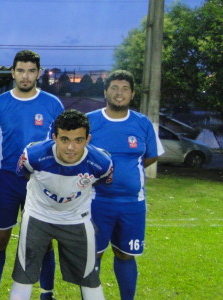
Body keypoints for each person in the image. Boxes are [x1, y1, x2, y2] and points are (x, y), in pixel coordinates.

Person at [0, 50, 63, 300]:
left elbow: (61, 141)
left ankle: (47, 292)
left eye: (31, 71)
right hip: (6, 180)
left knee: (43, 239)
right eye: (20, 71)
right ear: (13, 72)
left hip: (41, 181)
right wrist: (11, 160)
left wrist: (40, 164)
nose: (25, 76)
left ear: (39, 73)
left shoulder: (52, 104)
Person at [9, 109, 113, 300]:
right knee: (24, 274)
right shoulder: (34, 155)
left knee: (89, 277)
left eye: (78, 140)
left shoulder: (101, 163)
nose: (71, 147)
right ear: (54, 137)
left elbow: (103, 180)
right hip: (38, 215)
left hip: (76, 218)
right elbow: (23, 172)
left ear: (88, 139)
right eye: (65, 139)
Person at [86, 70, 164, 300]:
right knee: (93, 255)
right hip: (95, 202)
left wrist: (127, 172)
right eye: (114, 88)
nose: (119, 93)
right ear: (105, 92)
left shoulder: (142, 123)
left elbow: (151, 155)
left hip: (132, 204)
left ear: (132, 94)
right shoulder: (90, 121)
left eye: (125, 89)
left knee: (125, 254)